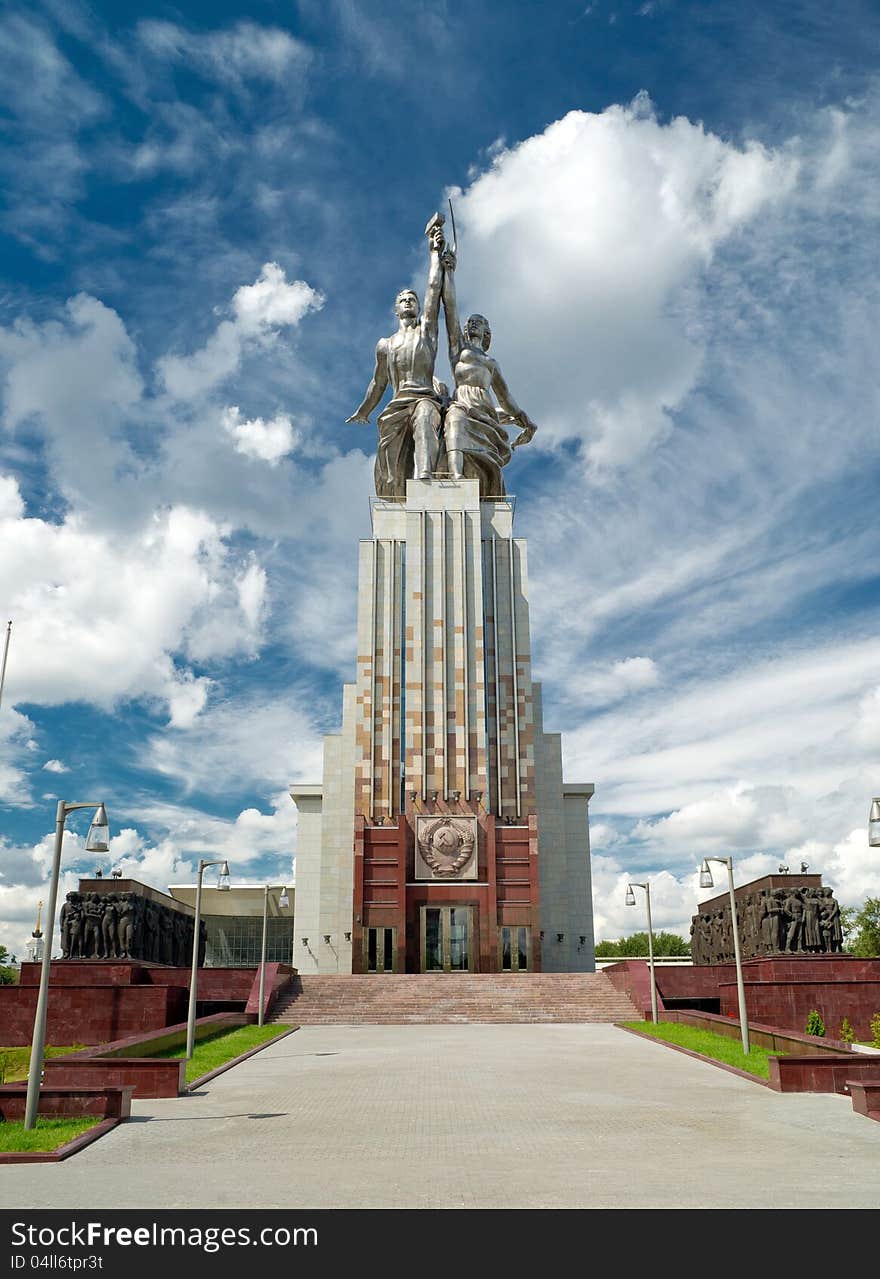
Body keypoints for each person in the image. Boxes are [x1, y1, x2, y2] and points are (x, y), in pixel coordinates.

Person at [346, 214, 448, 498]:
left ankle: (427, 486)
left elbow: (433, 289)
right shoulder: (385, 345)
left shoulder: (426, 333)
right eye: (403, 299)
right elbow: (378, 383)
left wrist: (434, 254)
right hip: (396, 406)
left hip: (424, 399)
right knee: (389, 471)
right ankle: (396, 504)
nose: (408, 302)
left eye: (411, 299)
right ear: (396, 309)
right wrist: (364, 410)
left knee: (427, 419)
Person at [439, 250, 537, 497]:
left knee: (486, 457)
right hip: (462, 403)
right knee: (454, 419)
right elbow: (450, 308)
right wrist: (449, 273)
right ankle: (456, 478)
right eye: (470, 321)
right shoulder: (457, 349)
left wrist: (525, 420)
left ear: (486, 332)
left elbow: (506, 398)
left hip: (485, 410)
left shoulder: (491, 363)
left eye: (478, 321)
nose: (472, 323)